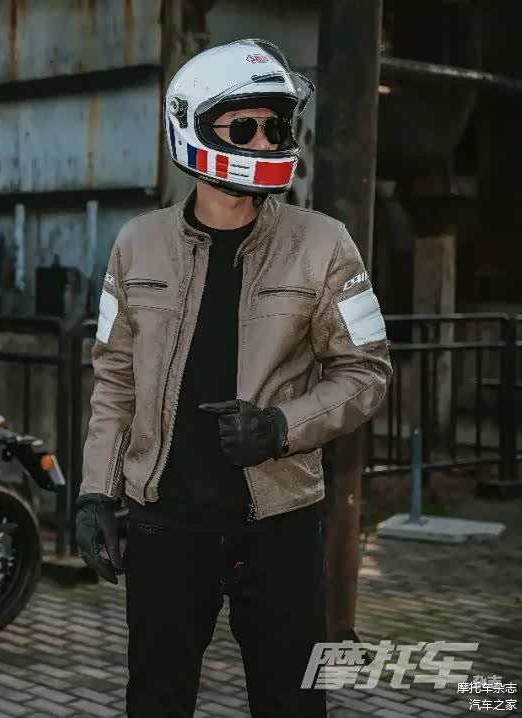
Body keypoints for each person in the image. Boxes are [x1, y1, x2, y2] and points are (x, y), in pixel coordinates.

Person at [73, 39, 392, 718]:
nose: (265, 141)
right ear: (190, 126)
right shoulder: (136, 244)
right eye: (243, 127)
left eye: (276, 126)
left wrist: (281, 427)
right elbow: (114, 380)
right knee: (156, 701)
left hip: (279, 527)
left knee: (292, 704)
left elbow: (366, 372)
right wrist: (96, 493)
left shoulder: (323, 243)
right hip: (165, 528)